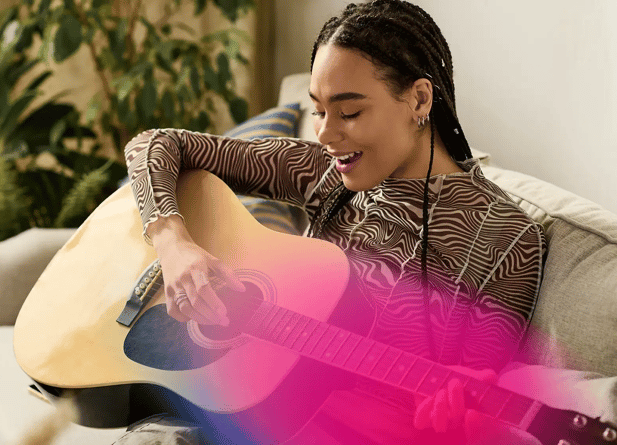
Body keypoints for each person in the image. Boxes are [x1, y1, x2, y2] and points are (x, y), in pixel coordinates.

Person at [121, 1, 545, 443]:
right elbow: (154, 145)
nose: (323, 134)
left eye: (349, 112)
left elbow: (474, 387)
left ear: (420, 99)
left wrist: (455, 406)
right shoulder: (321, 169)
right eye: (319, 110)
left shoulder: (507, 239)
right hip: (229, 402)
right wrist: (174, 244)